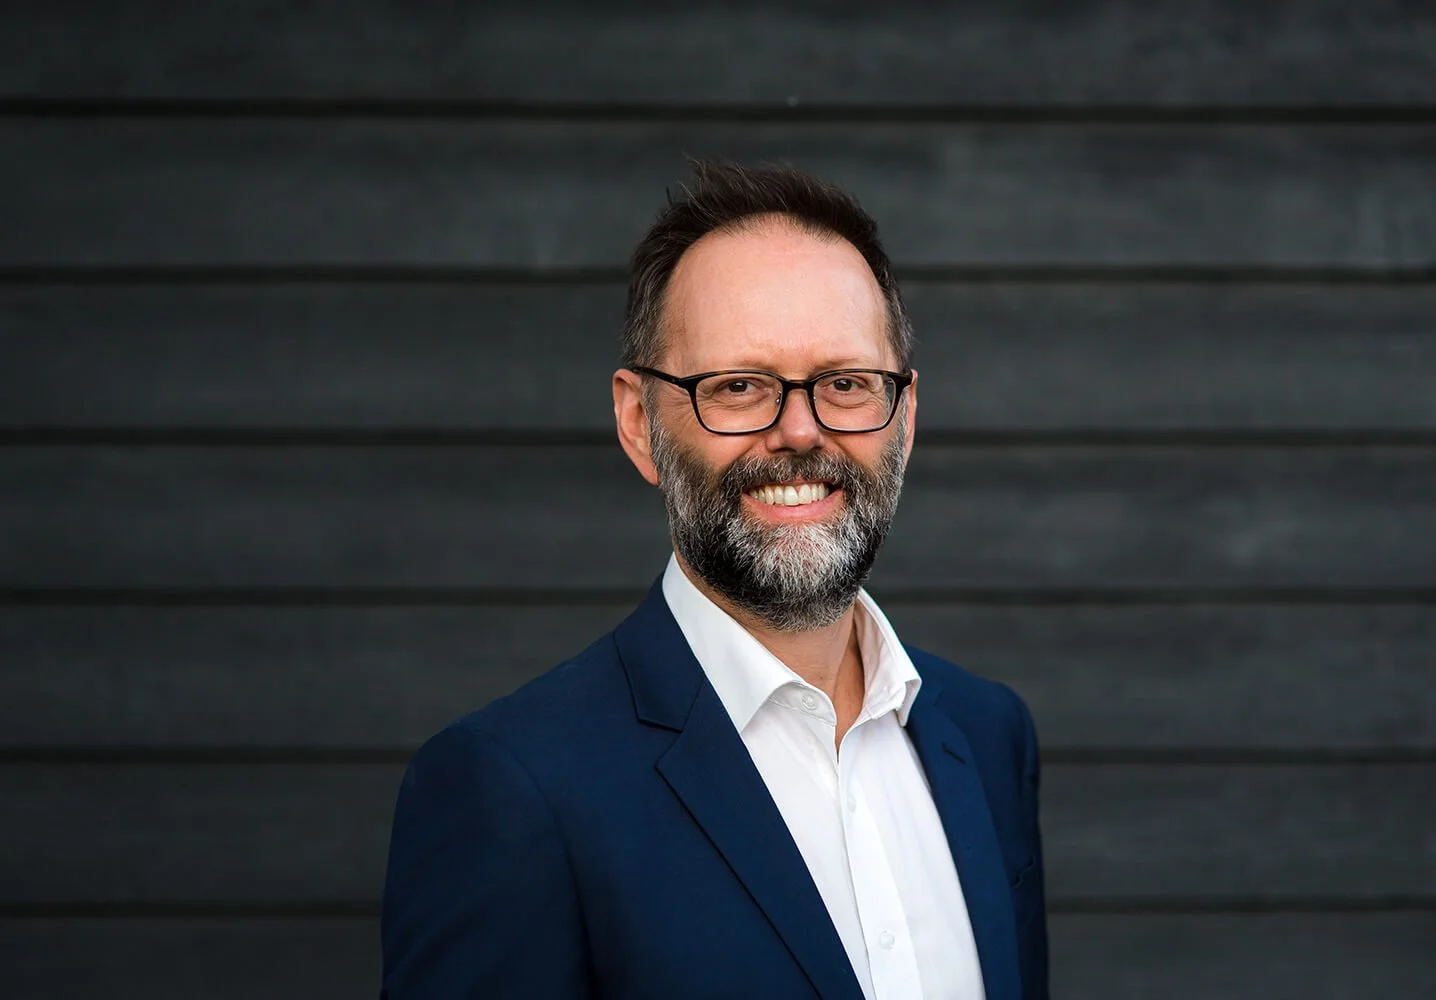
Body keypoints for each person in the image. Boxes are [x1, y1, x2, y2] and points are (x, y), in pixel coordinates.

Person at [380, 161, 1048, 1000]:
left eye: (845, 384)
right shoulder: (513, 791)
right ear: (638, 423)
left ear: (905, 418)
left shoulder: (987, 738)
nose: (800, 432)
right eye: (739, 387)